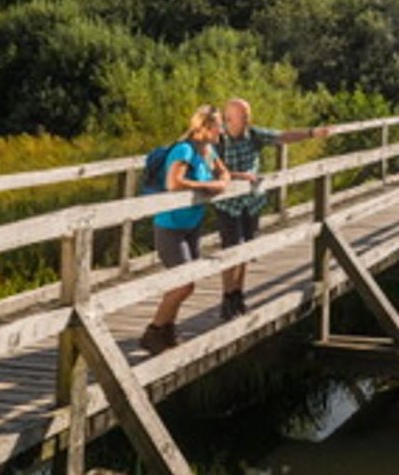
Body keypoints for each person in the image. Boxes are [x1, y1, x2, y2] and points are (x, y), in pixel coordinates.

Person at [213, 98, 332, 319]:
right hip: (228, 205)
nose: (248, 119)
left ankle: (238, 294)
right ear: (229, 118)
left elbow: (282, 136)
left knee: (247, 250)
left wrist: (311, 133)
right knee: (232, 250)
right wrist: (240, 177)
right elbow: (211, 171)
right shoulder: (218, 139)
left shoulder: (254, 134)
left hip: (251, 201)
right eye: (244, 116)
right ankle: (227, 297)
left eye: (248, 115)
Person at [137, 104, 231, 355]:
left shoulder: (208, 150)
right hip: (170, 226)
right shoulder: (184, 149)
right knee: (184, 285)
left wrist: (221, 181)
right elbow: (173, 182)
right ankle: (153, 331)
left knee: (184, 281)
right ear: (205, 127)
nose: (222, 131)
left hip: (191, 224)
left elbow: (224, 173)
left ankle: (167, 329)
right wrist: (206, 185)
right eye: (218, 126)